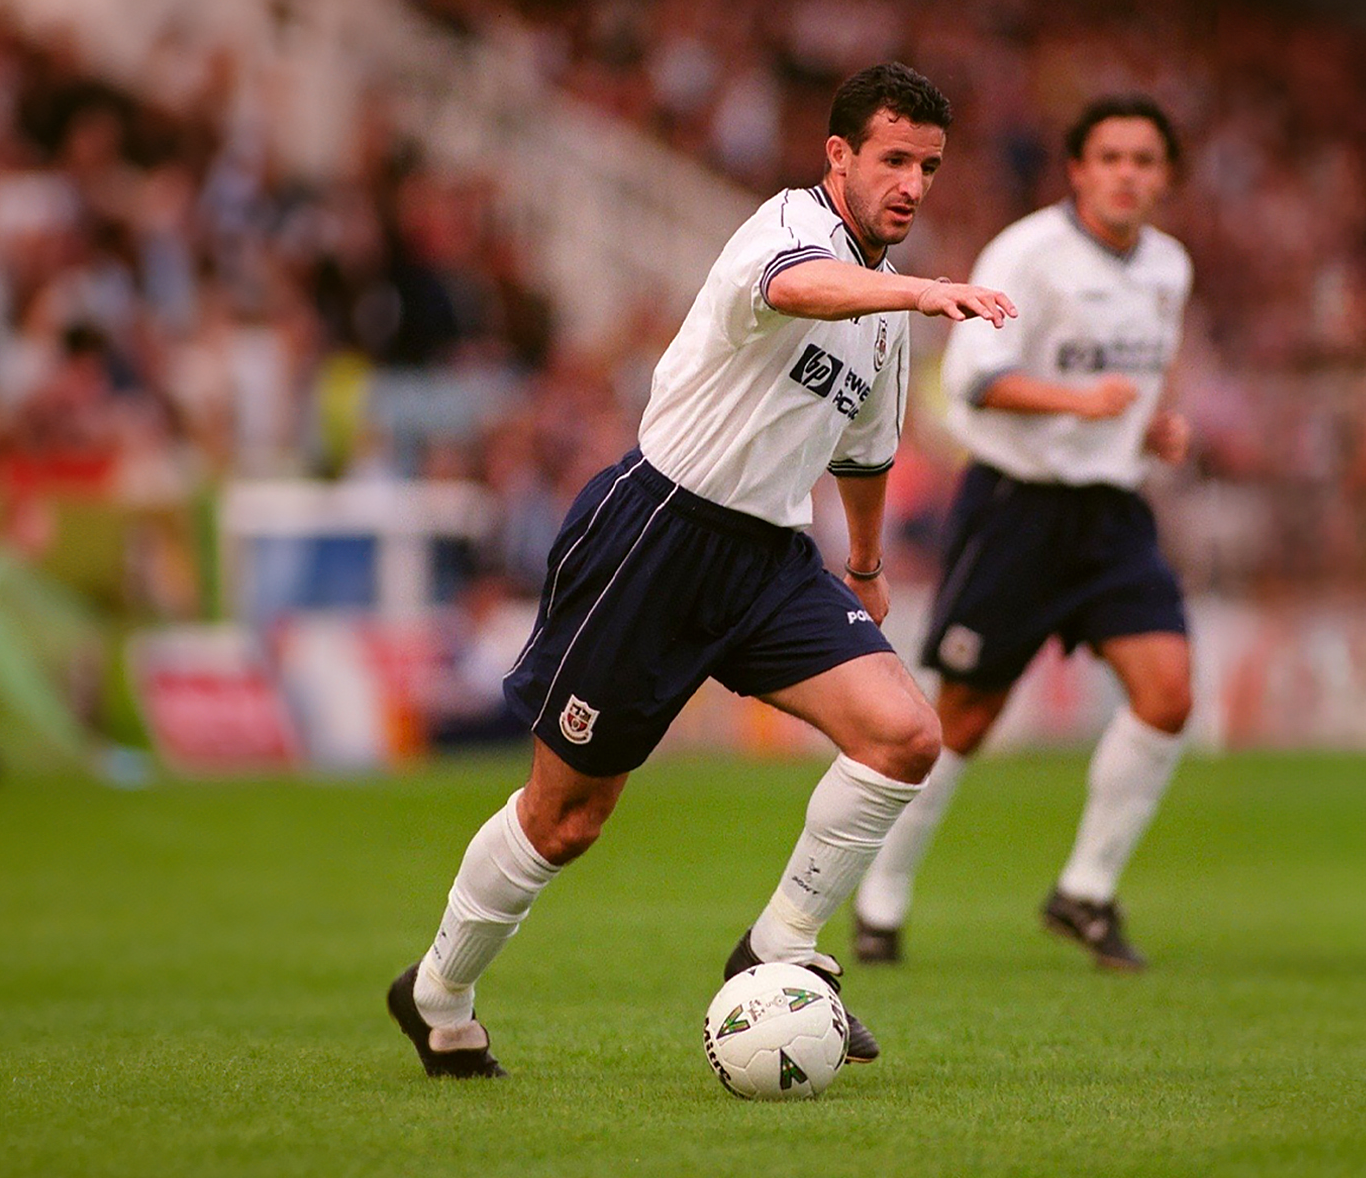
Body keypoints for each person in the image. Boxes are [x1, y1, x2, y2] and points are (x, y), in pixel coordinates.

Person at [387, 62, 1017, 1079]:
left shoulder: (886, 313)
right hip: (658, 534)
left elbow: (865, 448)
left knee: (904, 736)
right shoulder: (787, 228)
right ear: (840, 156)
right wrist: (922, 288)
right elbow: (795, 288)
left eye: (929, 167)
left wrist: (864, 563)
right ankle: (437, 994)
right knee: (568, 816)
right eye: (893, 159)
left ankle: (779, 947)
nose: (911, 183)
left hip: (770, 559)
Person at [851, 95, 1194, 972]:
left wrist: (1153, 427)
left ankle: (1085, 891)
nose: (1127, 174)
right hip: (1017, 508)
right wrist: (1078, 402)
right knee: (963, 717)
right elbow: (975, 378)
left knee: (1168, 695)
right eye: (1110, 157)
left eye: (1144, 160)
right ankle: (881, 898)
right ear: (1077, 170)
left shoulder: (1169, 266)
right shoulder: (1027, 254)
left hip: (1112, 512)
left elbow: (1142, 375)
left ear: (1164, 177)